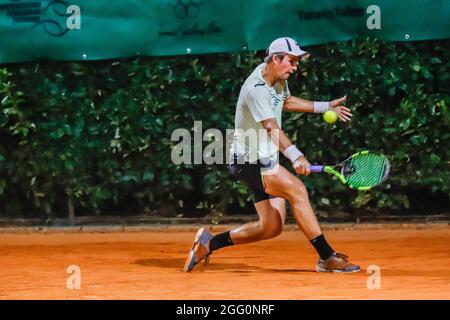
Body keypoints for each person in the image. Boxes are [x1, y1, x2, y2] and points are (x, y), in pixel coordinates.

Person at [183, 37, 359, 273]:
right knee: (297, 189)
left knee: (271, 227)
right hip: (249, 161)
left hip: (265, 158)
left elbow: (287, 102)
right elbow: (271, 127)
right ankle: (327, 257)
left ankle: (209, 244)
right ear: (275, 59)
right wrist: (296, 156)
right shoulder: (255, 89)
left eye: (296, 62)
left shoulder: (274, 76)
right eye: (292, 61)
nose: (295, 67)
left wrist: (325, 106)